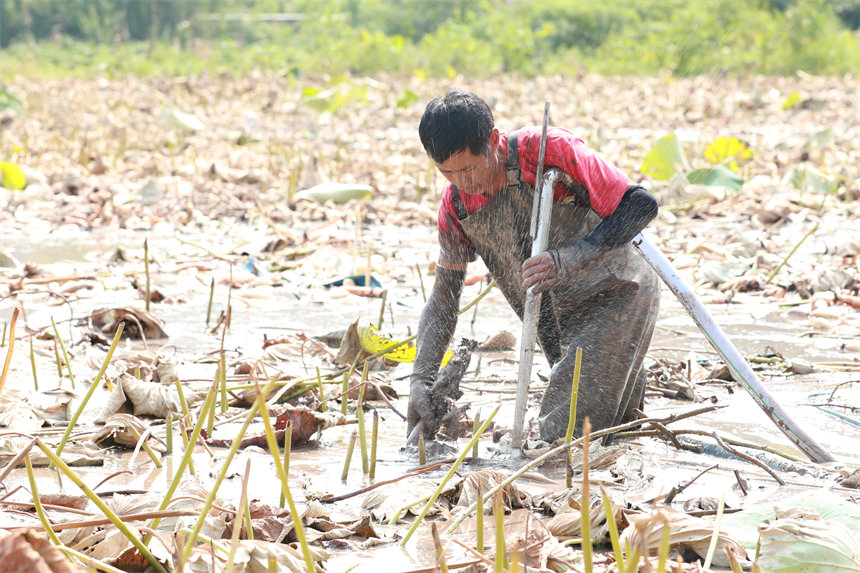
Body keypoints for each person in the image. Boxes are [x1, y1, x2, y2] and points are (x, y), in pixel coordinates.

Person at [407, 88, 661, 446]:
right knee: (612, 437)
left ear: (493, 141)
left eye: (468, 169)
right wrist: (420, 379)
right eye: (447, 173)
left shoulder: (548, 152)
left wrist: (570, 258)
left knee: (561, 439)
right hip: (555, 319)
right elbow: (443, 301)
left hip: (615, 297)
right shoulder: (456, 208)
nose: (462, 183)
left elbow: (640, 205)